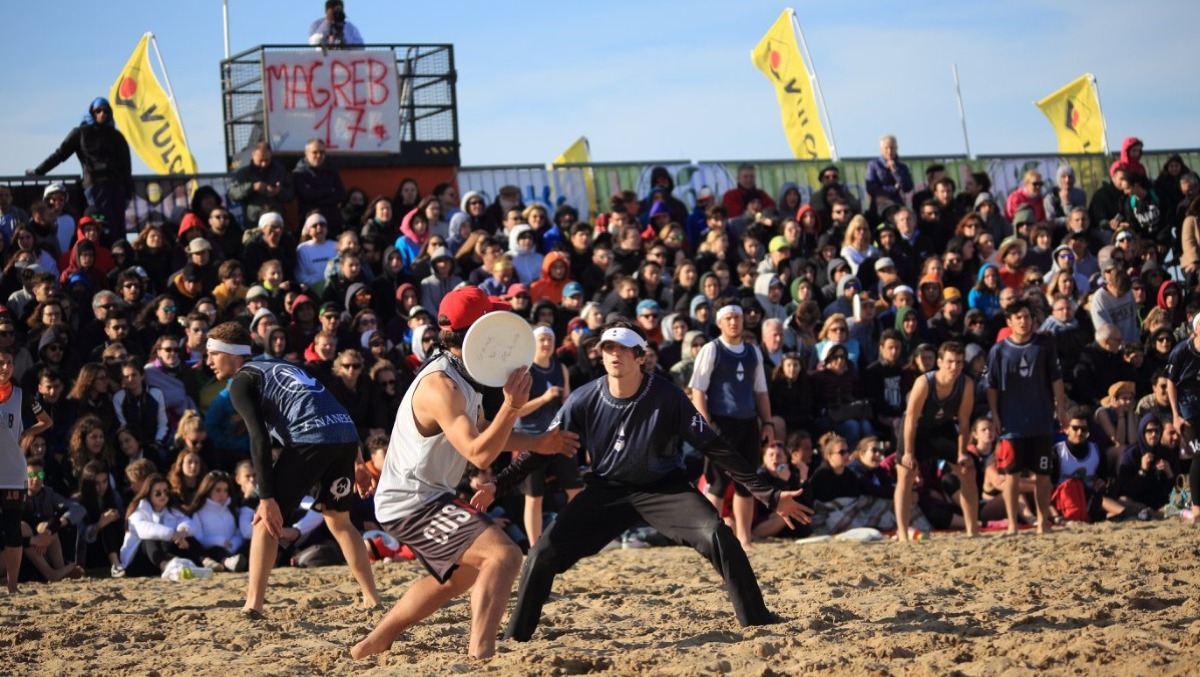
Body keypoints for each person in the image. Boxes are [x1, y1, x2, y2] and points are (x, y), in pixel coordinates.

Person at [477, 320, 809, 644]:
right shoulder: (583, 397)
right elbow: (541, 449)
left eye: (623, 348)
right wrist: (498, 485)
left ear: (640, 357)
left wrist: (770, 495)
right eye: (608, 348)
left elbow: (714, 446)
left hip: (664, 489)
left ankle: (757, 619)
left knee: (717, 535)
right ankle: (516, 637)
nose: (615, 354)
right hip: (606, 491)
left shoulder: (667, 396)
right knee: (541, 553)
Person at [350, 287, 579, 660]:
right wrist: (512, 406)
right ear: (478, 333)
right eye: (494, 323)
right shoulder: (441, 385)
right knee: (504, 556)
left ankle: (374, 642)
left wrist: (539, 442)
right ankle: (481, 655)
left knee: (462, 577)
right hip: (410, 499)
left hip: (426, 494)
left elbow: (486, 431)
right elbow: (479, 452)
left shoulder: (463, 374)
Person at [205, 321, 379, 616]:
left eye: (213, 354)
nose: (208, 361)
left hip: (310, 437)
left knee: (264, 521)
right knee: (338, 519)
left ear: (232, 354)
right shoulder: (281, 365)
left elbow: (259, 439)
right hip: (344, 436)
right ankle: (372, 598)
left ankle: (253, 604)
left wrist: (266, 497)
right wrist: (358, 459)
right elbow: (333, 405)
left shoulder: (242, 381)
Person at [688, 301, 776, 549]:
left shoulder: (753, 351)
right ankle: (711, 539)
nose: (734, 322)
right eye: (728, 318)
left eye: (737, 317)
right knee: (717, 483)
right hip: (720, 423)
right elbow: (698, 390)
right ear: (719, 322)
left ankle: (744, 539)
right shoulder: (711, 349)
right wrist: (705, 423)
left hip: (748, 422)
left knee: (746, 484)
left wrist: (768, 422)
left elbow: (761, 390)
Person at [986, 300, 1069, 535]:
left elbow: (1056, 378)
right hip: (1011, 425)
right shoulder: (998, 350)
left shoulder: (1044, 345)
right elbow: (991, 385)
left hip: (1041, 422)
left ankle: (1043, 521)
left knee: (1043, 474)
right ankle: (1013, 524)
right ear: (1009, 322)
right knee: (1011, 475)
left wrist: (1061, 409)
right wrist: (995, 415)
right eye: (1019, 317)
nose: (1024, 321)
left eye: (1027, 316)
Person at [898, 342, 979, 540]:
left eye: (959, 362)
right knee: (906, 474)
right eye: (950, 362)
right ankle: (902, 532)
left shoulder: (966, 384)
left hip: (942, 427)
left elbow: (964, 421)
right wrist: (908, 452)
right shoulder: (924, 383)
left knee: (967, 471)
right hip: (917, 429)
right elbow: (910, 419)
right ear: (940, 362)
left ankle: (972, 530)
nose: (954, 367)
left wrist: (962, 452)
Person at [28, 98, 132, 243]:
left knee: (118, 227)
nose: (102, 114)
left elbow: (126, 166)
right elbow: (60, 154)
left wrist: (128, 192)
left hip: (116, 187)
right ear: (91, 112)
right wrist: (39, 171)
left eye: (105, 111)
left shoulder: (117, 136)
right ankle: (98, 252)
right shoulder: (80, 133)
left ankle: (119, 254)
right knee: (98, 223)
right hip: (95, 186)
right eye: (98, 111)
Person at [0, 348, 53, 593]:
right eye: (1, 363)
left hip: (13, 471)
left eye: (9, 363)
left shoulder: (22, 395)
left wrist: (27, 432)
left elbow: (46, 421)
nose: (5, 367)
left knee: (12, 529)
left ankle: (12, 586)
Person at [1166, 313, 1200, 524]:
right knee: (1199, 455)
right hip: (1187, 409)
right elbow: (1170, 383)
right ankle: (1196, 510)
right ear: (1196, 329)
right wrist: (1175, 415)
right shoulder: (1182, 351)